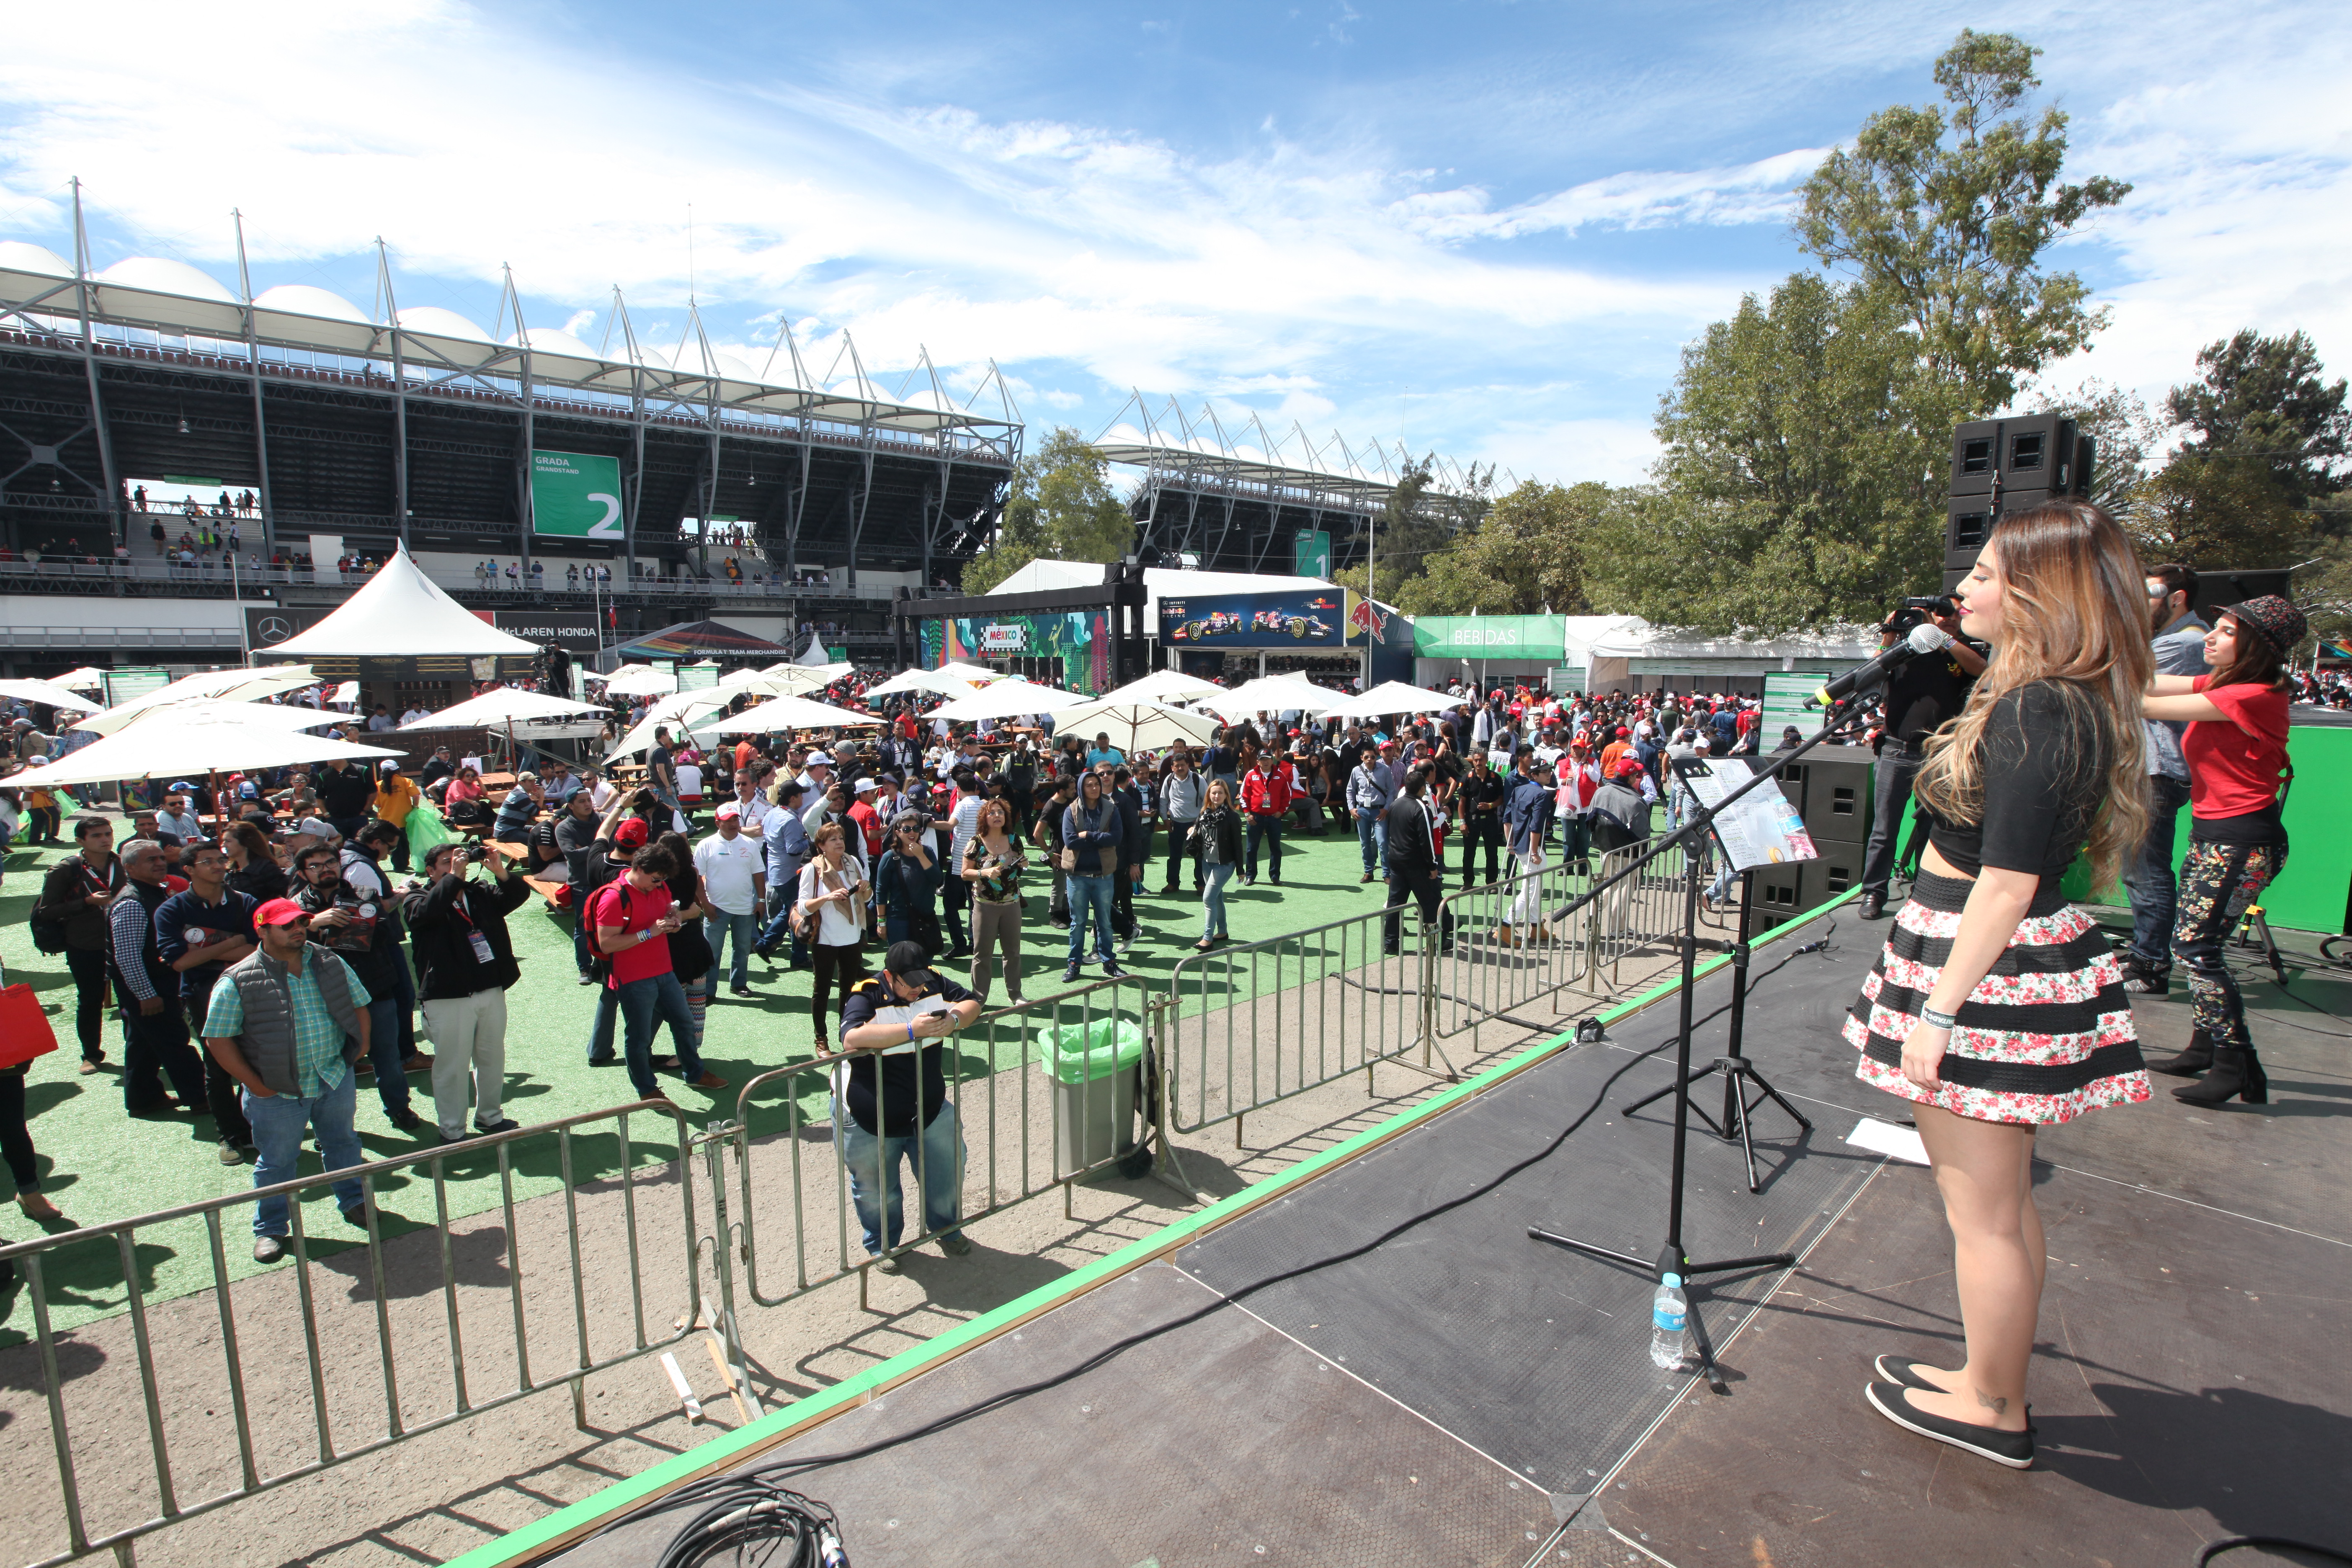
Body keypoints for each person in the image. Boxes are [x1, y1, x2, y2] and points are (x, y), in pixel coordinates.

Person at [1843, 500, 2151, 1471]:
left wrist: (1936, 1009)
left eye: (1982, 574)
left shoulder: (2036, 705)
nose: (1963, 590)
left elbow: (2006, 881)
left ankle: (1993, 1402)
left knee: (1982, 1211)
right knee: (2000, 1205)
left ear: (2036, 593)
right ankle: (1988, 1377)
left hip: (1979, 969)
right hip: (1986, 960)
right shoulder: (2059, 693)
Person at [2140, 595, 2304, 1105]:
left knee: (2196, 948)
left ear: (2257, 645)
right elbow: (2148, 683)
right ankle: (2205, 1046)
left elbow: (2143, 703)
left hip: (2240, 843)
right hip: (2217, 837)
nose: (2210, 636)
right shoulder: (2227, 684)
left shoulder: (2253, 693)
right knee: (2196, 945)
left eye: (2227, 631)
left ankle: (2237, 1062)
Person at [202, 898, 376, 1263]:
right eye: (287, 925)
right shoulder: (238, 979)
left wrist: (358, 1051)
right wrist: (257, 1084)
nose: (298, 929)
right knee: (277, 1162)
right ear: (263, 931)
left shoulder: (329, 961)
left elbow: (360, 1003)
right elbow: (218, 1040)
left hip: (332, 1076)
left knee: (343, 1142)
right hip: (277, 1091)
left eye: (301, 922)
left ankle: (354, 1201)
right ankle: (270, 1229)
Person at [833, 940, 984, 1269]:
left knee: (947, 1171)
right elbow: (851, 1039)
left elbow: (973, 1001)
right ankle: (883, 1245)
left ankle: (947, 1228)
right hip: (869, 1113)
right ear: (890, 976)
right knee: (877, 1190)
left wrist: (955, 1021)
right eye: (909, 983)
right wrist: (910, 1031)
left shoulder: (933, 980)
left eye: (922, 981)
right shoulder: (865, 993)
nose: (918, 989)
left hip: (928, 1106)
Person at [1858, 601, 1988, 919]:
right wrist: (1888, 637)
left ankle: (1925, 893)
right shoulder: (1906, 649)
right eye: (1944, 615)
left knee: (1934, 829)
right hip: (1897, 750)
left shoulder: (1962, 648)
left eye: (1956, 613)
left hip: (1941, 754)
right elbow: (1866, 677)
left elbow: (1981, 670)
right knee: (1885, 829)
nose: (1950, 619)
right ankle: (1874, 893)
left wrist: (1941, 638)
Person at [290, 841, 426, 1134]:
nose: (326, 869)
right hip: (322, 998)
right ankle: (329, 1124)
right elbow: (286, 946)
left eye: (331, 863)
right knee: (328, 1063)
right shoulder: (296, 908)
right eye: (315, 866)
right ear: (303, 874)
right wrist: (312, 924)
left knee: (386, 1055)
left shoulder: (364, 895)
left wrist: (353, 927)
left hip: (374, 987)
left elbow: (387, 935)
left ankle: (399, 1108)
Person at [2117, 563, 2208, 996]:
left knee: (2146, 869)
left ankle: (2151, 963)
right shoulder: (2167, 639)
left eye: (2148, 595)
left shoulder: (2186, 643)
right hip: (2145, 768)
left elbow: (2124, 687)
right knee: (2137, 868)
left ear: (2177, 598)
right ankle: (2145, 951)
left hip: (2158, 771)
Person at [405, 841, 532, 1142]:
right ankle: (452, 1129)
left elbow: (518, 894)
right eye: (447, 862)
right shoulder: (417, 897)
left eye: (459, 859)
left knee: (491, 1057)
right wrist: (454, 876)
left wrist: (500, 870)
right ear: (431, 871)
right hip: (448, 997)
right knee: (452, 1065)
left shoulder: (479, 893)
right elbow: (425, 913)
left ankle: (490, 1117)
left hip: (489, 988)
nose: (455, 865)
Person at [589, 843, 725, 1103]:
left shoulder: (660, 887)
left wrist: (674, 921)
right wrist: (649, 932)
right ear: (639, 868)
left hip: (665, 971)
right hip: (633, 977)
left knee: (684, 1023)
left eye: (663, 880)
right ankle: (647, 1090)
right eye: (655, 879)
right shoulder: (613, 897)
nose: (659, 884)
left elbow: (666, 915)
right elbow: (607, 943)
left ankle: (695, 1073)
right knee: (639, 1038)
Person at [155, 842, 261, 1163]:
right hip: (202, 992)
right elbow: (179, 963)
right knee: (218, 1066)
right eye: (208, 862)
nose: (218, 866)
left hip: (250, 986)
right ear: (188, 869)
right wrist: (232, 942)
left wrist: (205, 952)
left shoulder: (246, 903)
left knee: (254, 1058)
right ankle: (230, 1136)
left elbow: (258, 949)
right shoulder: (172, 910)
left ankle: (253, 1129)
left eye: (221, 860)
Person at [106, 839, 213, 1115]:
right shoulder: (131, 902)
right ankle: (202, 1097)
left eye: (160, 857)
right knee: (175, 1041)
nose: (160, 863)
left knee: (143, 1042)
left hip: (158, 981)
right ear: (129, 868)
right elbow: (127, 957)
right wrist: (146, 995)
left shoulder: (152, 892)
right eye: (150, 860)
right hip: (149, 985)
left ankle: (144, 1098)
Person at [34, 815, 124, 1074]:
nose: (105, 839)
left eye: (107, 833)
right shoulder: (65, 869)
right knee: (90, 1000)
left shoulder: (123, 863)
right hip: (85, 944)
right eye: (96, 836)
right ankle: (92, 1054)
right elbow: (46, 911)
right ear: (80, 841)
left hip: (125, 941)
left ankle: (143, 1049)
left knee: (134, 998)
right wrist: (87, 903)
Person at [794, 822, 872, 1052]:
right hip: (825, 938)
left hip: (852, 935)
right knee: (822, 989)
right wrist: (828, 898)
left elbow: (865, 899)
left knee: (849, 987)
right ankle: (821, 1039)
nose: (839, 843)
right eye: (833, 840)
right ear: (821, 846)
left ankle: (846, 1032)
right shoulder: (813, 869)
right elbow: (803, 907)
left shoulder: (853, 863)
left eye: (841, 838)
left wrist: (866, 888)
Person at [1059, 771, 1126, 984]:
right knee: (1078, 922)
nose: (1094, 788)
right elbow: (1070, 841)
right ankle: (1074, 964)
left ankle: (1109, 962)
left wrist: (1088, 835)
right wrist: (1101, 839)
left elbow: (1116, 838)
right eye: (1089, 785)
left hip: (1103, 875)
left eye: (1096, 784)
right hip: (1077, 876)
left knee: (1105, 922)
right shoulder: (1071, 811)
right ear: (1081, 788)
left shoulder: (1111, 808)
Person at [694, 803, 766, 997]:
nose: (734, 823)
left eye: (735, 819)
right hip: (716, 908)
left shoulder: (749, 844)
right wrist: (705, 904)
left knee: (742, 950)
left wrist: (761, 900)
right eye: (728, 821)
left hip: (745, 908)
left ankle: (739, 984)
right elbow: (697, 877)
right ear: (718, 823)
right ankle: (708, 991)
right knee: (712, 952)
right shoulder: (705, 845)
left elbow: (758, 873)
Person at [1380, 767, 1453, 958]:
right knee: (1430, 903)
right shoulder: (1421, 808)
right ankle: (1438, 940)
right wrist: (1433, 866)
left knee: (1396, 903)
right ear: (1422, 789)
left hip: (1396, 860)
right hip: (1416, 864)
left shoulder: (1396, 804)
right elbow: (1427, 840)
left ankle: (1390, 943)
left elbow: (1391, 831)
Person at [961, 797, 1027, 1004]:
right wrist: (984, 872)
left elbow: (1018, 867)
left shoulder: (1014, 839)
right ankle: (979, 999)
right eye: (992, 813)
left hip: (1011, 904)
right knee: (982, 954)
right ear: (984, 818)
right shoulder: (977, 842)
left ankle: (1016, 994)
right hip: (984, 906)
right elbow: (965, 873)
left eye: (1000, 812)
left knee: (1013, 952)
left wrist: (1023, 864)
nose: (997, 816)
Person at [1496, 754, 1555, 946]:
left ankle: (1537, 927)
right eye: (1545, 772)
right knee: (1530, 890)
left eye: (1549, 771)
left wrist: (1510, 842)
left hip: (1519, 846)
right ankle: (1505, 925)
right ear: (1534, 775)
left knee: (1536, 887)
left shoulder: (1519, 789)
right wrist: (1535, 851)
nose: (1549, 774)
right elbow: (1537, 826)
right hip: (1531, 848)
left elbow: (1507, 818)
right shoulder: (1542, 794)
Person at [754, 779, 812, 967]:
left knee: (787, 911)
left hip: (776, 872)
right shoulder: (789, 820)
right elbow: (794, 849)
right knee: (799, 914)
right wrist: (811, 841)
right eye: (800, 795)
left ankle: (766, 943)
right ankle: (798, 957)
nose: (803, 798)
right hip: (788, 874)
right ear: (793, 798)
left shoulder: (774, 813)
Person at [874, 810, 946, 957]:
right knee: (901, 964)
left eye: (916, 829)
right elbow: (880, 892)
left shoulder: (928, 852)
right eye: (906, 830)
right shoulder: (890, 857)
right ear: (898, 833)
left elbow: (937, 879)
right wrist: (881, 923)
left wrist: (920, 855)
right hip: (898, 919)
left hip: (925, 919)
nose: (912, 833)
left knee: (925, 965)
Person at [1189, 778, 1244, 951]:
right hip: (1207, 862)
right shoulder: (1204, 813)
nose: (1217, 796)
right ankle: (1222, 931)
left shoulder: (1232, 817)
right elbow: (1197, 830)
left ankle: (1207, 938)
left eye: (1221, 793)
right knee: (1217, 897)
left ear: (1226, 795)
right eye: (1214, 793)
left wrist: (1241, 870)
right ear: (1209, 795)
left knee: (1208, 898)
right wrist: (1192, 831)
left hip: (1225, 864)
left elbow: (1238, 844)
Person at [1238, 750, 1291, 887]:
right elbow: (1243, 796)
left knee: (1276, 848)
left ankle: (1275, 876)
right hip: (1255, 817)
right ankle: (1250, 876)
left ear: (1272, 760)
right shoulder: (1251, 775)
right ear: (1258, 762)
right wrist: (1247, 814)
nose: (1266, 762)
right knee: (1252, 848)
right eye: (1263, 759)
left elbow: (1287, 796)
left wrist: (1281, 812)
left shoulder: (1280, 775)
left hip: (1274, 817)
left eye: (1268, 759)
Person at [1455, 752, 1505, 889]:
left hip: (1491, 820)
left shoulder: (1495, 778)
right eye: (1476, 760)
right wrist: (1462, 822)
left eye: (1481, 760)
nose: (1478, 763)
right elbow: (1461, 802)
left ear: (1487, 760)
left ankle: (1492, 883)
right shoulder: (1467, 778)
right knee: (1469, 852)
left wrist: (1490, 806)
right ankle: (1468, 883)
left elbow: (1501, 799)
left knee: (1492, 852)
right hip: (1472, 821)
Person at [1158, 750, 1204, 895]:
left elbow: (1207, 801)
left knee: (1199, 856)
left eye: (1183, 765)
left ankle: (1201, 885)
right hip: (1176, 825)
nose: (1180, 768)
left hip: (1195, 825)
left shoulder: (1198, 779)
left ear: (1188, 765)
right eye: (1177, 766)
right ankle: (1172, 883)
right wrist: (1165, 820)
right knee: (1174, 856)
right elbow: (1163, 800)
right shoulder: (1169, 780)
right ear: (1172, 768)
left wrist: (1200, 822)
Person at [1348, 744, 1394, 884]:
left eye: (1372, 757)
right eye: (1366, 757)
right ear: (1362, 758)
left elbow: (1392, 791)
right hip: (1362, 811)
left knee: (1383, 842)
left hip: (1379, 811)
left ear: (1376, 757)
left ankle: (1387, 874)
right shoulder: (1356, 771)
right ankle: (1368, 872)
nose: (1369, 760)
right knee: (1365, 844)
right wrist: (1351, 808)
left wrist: (1386, 808)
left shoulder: (1385, 770)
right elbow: (1350, 790)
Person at [221, 820, 289, 903]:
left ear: (245, 843)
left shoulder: (267, 869)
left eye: (228, 841)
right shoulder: (230, 872)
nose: (224, 845)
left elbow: (290, 894)